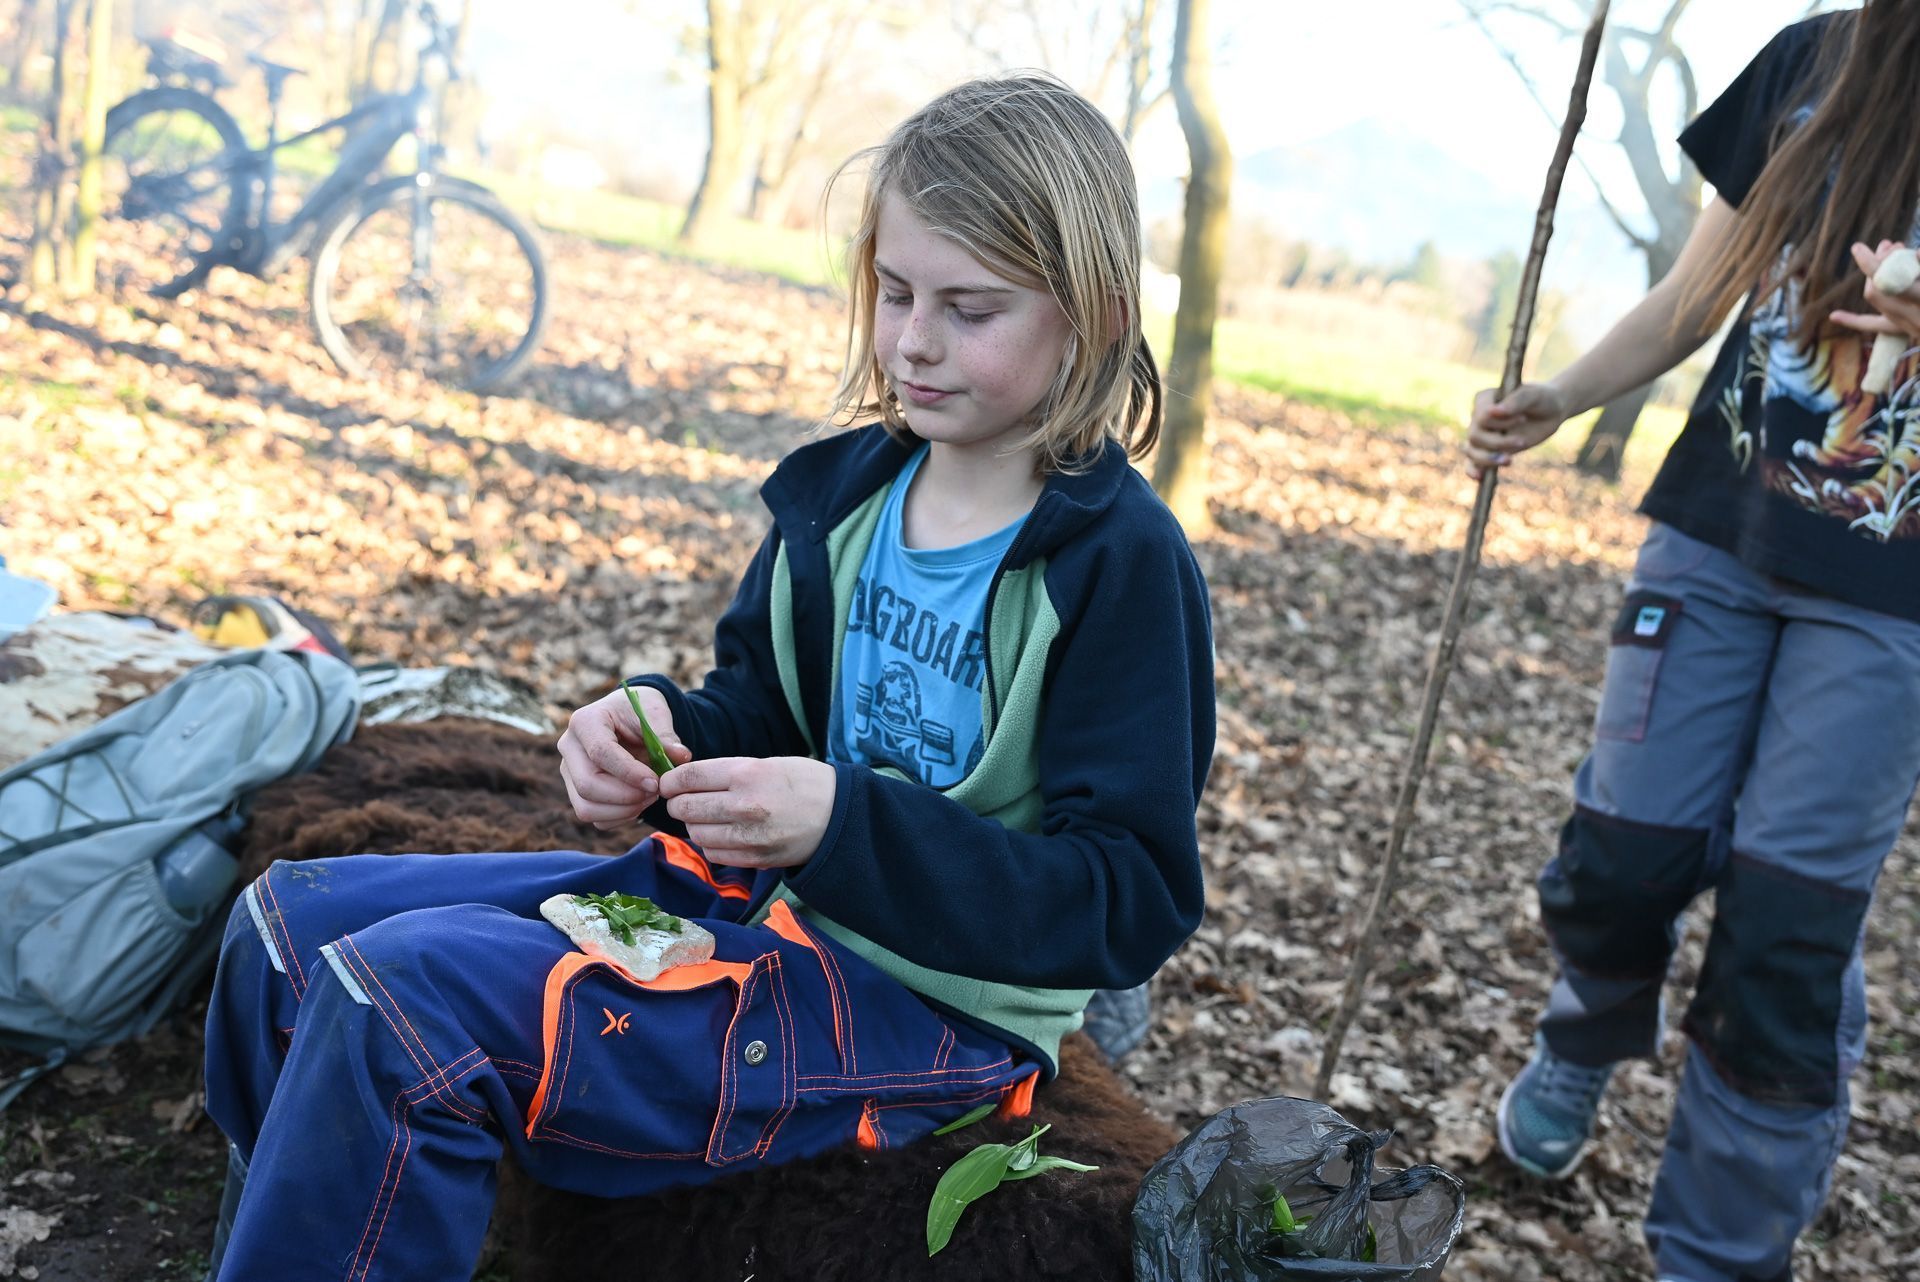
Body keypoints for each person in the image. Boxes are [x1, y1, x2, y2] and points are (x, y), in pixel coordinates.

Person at [198, 71, 1215, 1281]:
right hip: (746, 905)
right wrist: (658, 729)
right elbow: (758, 708)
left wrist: (842, 825)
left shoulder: (1118, 567)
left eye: (971, 307)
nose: (914, 339)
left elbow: (1129, 897)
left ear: (1094, 315)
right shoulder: (846, 497)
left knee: (405, 1000)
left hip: (929, 1009)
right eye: (895, 291)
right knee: (289, 926)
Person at [1466, 6, 1920, 1280]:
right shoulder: (1815, 59)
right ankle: (1586, 1031)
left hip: (1892, 599)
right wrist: (1560, 397)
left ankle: (1714, 1256)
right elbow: (1698, 292)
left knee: (1786, 937)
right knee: (1624, 855)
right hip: (1717, 537)